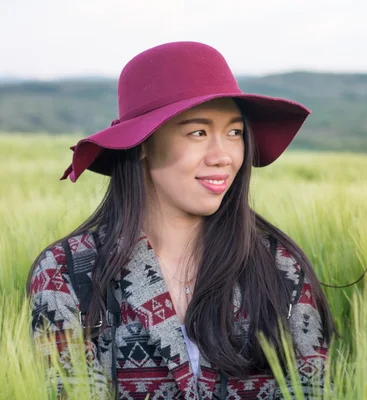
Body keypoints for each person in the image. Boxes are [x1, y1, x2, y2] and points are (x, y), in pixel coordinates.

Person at [27, 41, 336, 400]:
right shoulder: (68, 271)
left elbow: (314, 389)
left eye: (234, 132)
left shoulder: (280, 267)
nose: (223, 156)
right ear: (143, 143)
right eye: (198, 133)